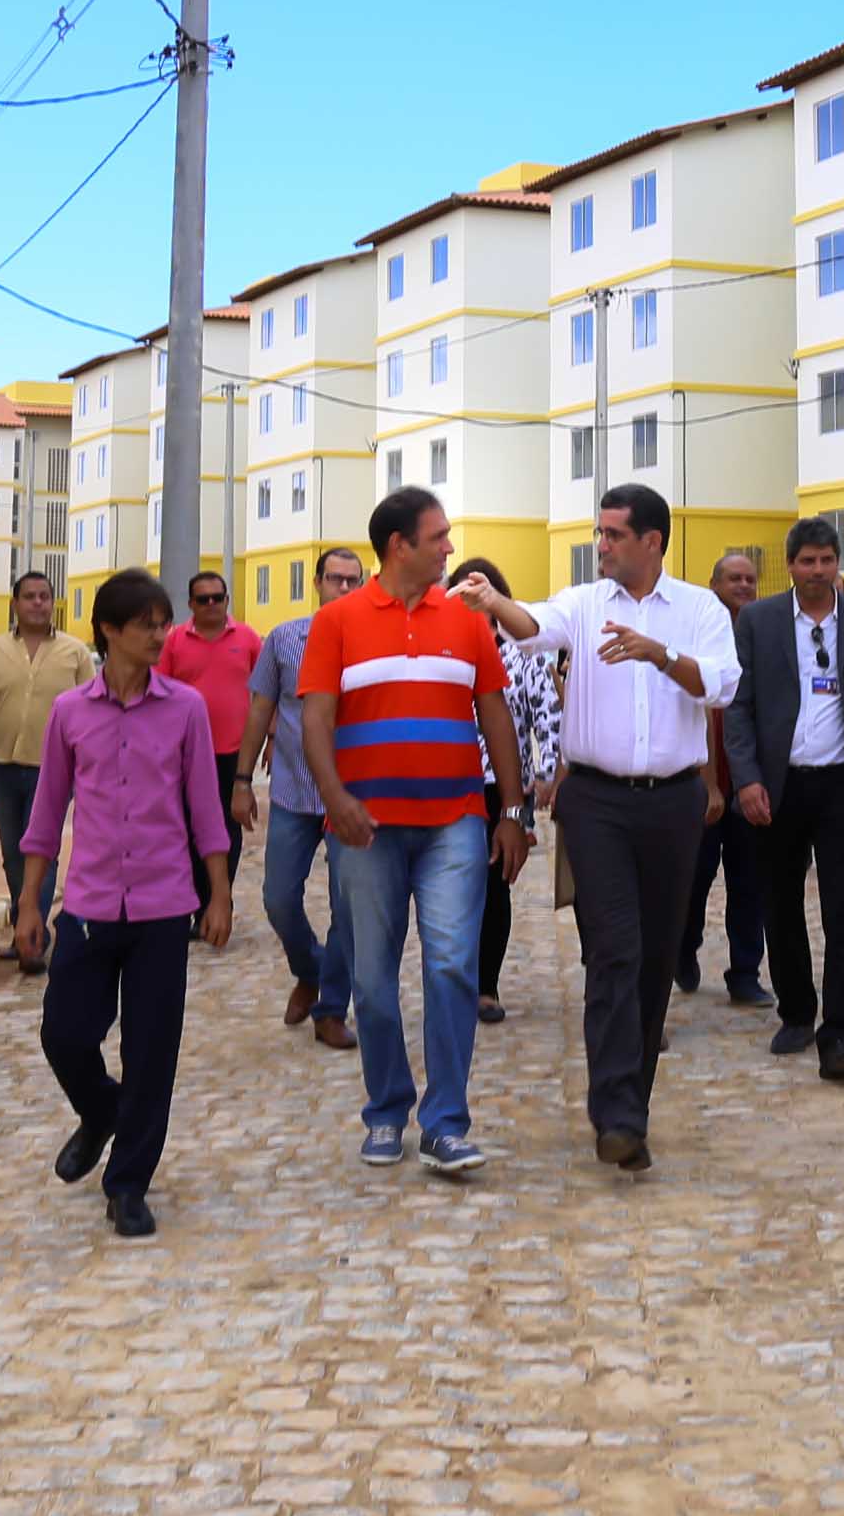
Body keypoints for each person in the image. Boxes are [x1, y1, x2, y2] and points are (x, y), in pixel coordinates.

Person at [457, 484, 737, 1173]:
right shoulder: (583, 602)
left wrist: (660, 655)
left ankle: (628, 1103)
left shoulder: (698, 609)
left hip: (672, 802)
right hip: (595, 803)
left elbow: (723, 685)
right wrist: (493, 603)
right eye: (600, 532)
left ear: (652, 541)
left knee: (655, 958)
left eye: (614, 534)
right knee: (613, 947)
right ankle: (615, 1112)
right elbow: (534, 625)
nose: (601, 544)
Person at [300, 487, 531, 1176]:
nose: (450, 549)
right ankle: (386, 1109)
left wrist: (512, 811)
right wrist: (334, 798)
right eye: (439, 537)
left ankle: (446, 1121)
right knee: (371, 980)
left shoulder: (466, 619)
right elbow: (316, 720)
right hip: (364, 828)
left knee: (453, 965)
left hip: (454, 822)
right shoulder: (338, 621)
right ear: (399, 545)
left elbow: (495, 715)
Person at [11, 567, 232, 1241]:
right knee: (65, 1033)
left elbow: (204, 808)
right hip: (88, 904)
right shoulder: (71, 713)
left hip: (166, 905)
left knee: (151, 1049)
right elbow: (47, 810)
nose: (161, 635)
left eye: (165, 623)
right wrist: (28, 901)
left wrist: (217, 893)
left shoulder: (185, 708)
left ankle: (128, 1182)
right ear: (110, 631)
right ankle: (102, 1110)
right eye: (148, 625)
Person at [727, 517, 844, 1083]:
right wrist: (746, 779)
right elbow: (739, 707)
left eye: (827, 559)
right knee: (779, 903)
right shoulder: (758, 621)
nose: (818, 570)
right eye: (807, 561)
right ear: (792, 565)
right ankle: (797, 1012)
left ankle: (841, 1031)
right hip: (779, 785)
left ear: (837, 563)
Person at [239, 545, 365, 1050]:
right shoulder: (285, 640)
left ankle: (331, 1009)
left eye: (353, 580)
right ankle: (308, 970)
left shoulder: (372, 642)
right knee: (278, 899)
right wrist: (242, 779)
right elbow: (259, 709)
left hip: (352, 798)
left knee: (348, 908)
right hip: (294, 792)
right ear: (317, 583)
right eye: (335, 579)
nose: (344, 588)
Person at [0, 572, 97, 974]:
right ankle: (24, 925)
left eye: (45, 597)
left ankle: (35, 935)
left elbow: (95, 706)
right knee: (14, 855)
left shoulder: (74, 653)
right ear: (15, 604)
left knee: (39, 853)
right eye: (29, 597)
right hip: (5, 769)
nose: (38, 604)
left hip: (53, 773)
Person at [446, 556, 560, 1027]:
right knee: (450, 885)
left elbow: (546, 710)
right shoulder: (440, 650)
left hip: (501, 785)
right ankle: (452, 981)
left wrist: (548, 770)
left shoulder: (523, 651)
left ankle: (485, 985)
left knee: (494, 886)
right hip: (447, 781)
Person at [677, 548, 770, 1007]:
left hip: (750, 781)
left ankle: (745, 971)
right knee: (694, 877)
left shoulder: (764, 638)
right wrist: (708, 782)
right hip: (704, 781)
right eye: (733, 578)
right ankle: (682, 946)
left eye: (750, 580)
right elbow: (699, 710)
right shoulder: (700, 636)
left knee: (749, 881)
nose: (743, 587)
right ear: (714, 585)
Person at [158, 571, 262, 903]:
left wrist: (271, 737)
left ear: (227, 600)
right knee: (190, 830)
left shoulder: (247, 639)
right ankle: (199, 901)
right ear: (191, 604)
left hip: (234, 752)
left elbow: (266, 694)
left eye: (218, 597)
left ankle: (220, 900)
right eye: (204, 599)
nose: (212, 604)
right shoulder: (173, 642)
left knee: (228, 828)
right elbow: (159, 694)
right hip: (185, 753)